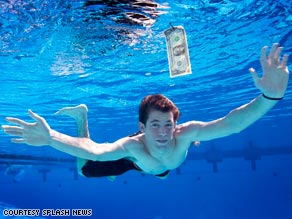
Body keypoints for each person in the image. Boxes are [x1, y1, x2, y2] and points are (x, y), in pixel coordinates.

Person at [2, 43, 289, 180]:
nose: (164, 133)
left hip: (158, 168)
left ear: (175, 124)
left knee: (162, 168)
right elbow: (95, 150)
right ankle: (82, 116)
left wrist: (270, 96)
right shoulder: (133, 145)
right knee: (86, 169)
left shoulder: (184, 132)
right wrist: (51, 136)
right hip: (136, 161)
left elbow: (232, 124)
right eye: (155, 125)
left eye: (168, 124)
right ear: (141, 127)